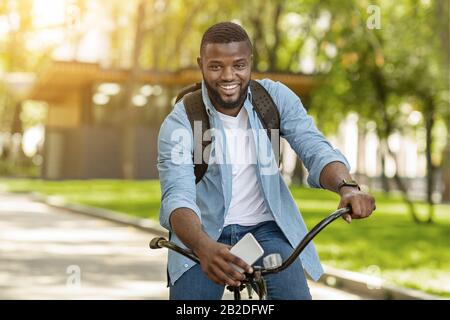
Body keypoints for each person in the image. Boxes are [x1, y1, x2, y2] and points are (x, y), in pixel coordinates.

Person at [157, 21, 376, 300]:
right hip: (202, 234)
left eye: (238, 65)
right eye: (216, 66)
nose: (228, 76)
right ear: (201, 64)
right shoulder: (180, 122)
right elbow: (177, 196)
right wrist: (203, 248)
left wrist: (347, 187)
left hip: (267, 231)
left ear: (250, 62)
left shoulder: (273, 99)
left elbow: (315, 148)